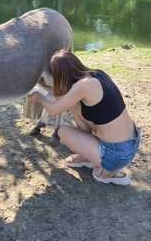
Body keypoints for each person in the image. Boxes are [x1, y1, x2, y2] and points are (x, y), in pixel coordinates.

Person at [28, 49, 140, 185]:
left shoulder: (83, 86)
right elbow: (66, 97)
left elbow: (53, 111)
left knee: (62, 131)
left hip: (116, 155)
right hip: (132, 142)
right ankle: (87, 156)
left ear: (60, 75)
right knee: (75, 105)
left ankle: (107, 174)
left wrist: (39, 96)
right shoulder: (97, 75)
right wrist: (44, 86)